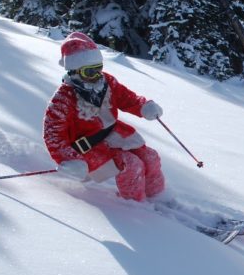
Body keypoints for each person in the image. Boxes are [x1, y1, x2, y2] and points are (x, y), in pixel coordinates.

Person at [43, 32, 165, 202]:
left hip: (113, 135)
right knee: (131, 165)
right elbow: (53, 136)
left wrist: (143, 106)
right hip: (88, 148)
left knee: (150, 157)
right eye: (89, 71)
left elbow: (127, 98)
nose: (96, 75)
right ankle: (136, 206)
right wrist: (69, 159)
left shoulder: (106, 82)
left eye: (98, 68)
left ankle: (158, 197)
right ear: (74, 71)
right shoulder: (63, 99)